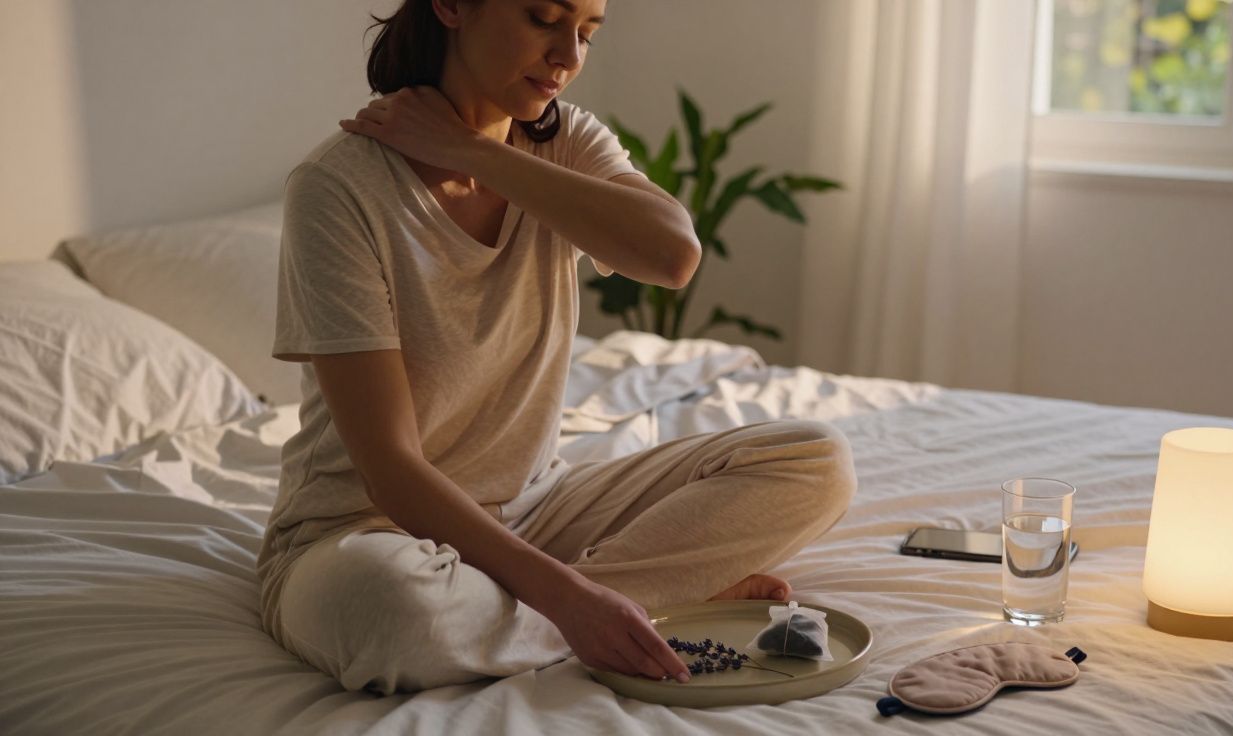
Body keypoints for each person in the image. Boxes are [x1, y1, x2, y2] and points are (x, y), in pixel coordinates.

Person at [255, 0, 858, 696]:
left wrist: (471, 150)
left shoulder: (561, 141)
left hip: (538, 511)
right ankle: (642, 602)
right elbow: (390, 469)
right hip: (366, 533)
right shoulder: (339, 188)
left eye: (587, 33)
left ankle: (582, 608)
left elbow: (672, 254)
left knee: (814, 459)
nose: (568, 56)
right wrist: (572, 602)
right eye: (544, 17)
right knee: (397, 615)